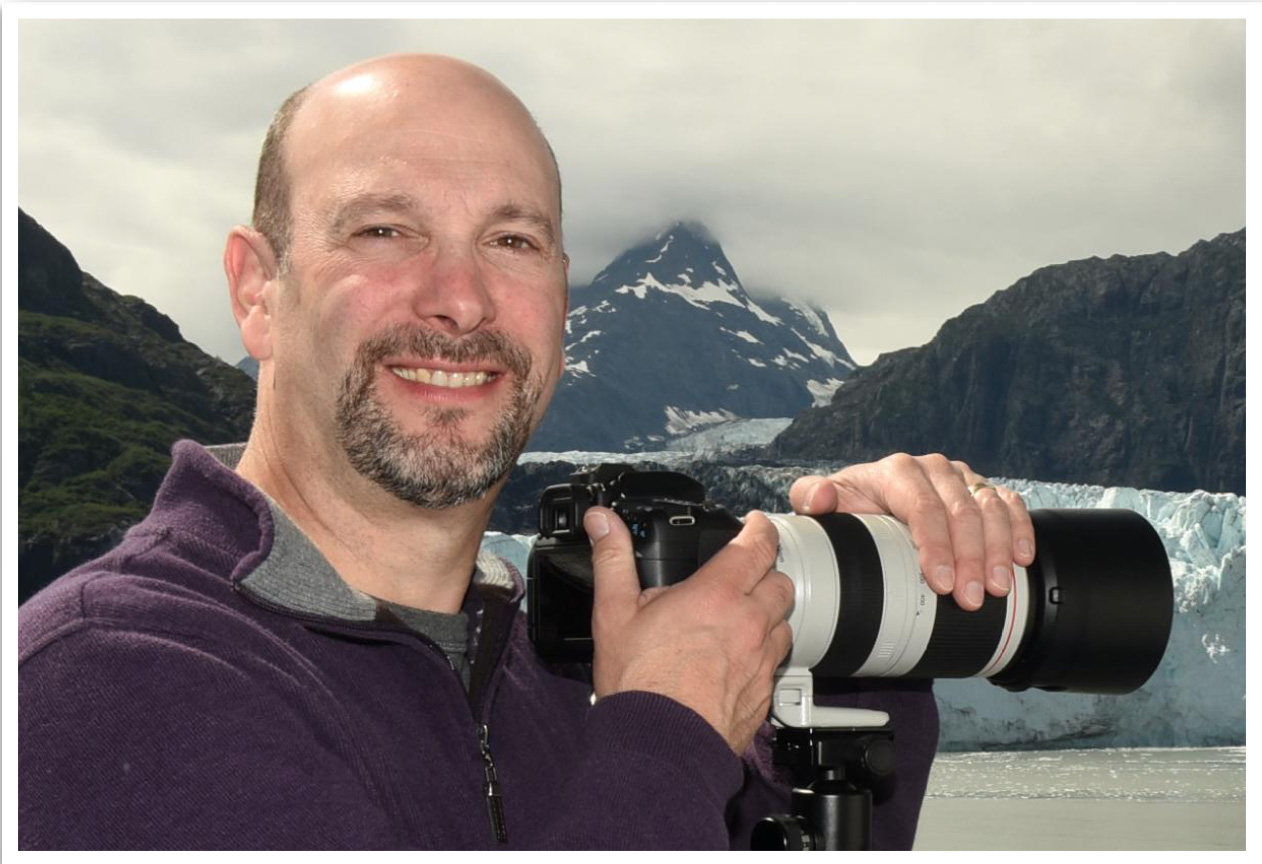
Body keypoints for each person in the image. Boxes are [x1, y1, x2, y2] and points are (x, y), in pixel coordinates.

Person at [18, 54, 1035, 850]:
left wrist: (863, 606)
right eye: (383, 230)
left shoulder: (544, 672)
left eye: (511, 241)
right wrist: (663, 737)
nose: (458, 299)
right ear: (256, 289)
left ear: (560, 295)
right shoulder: (111, 681)